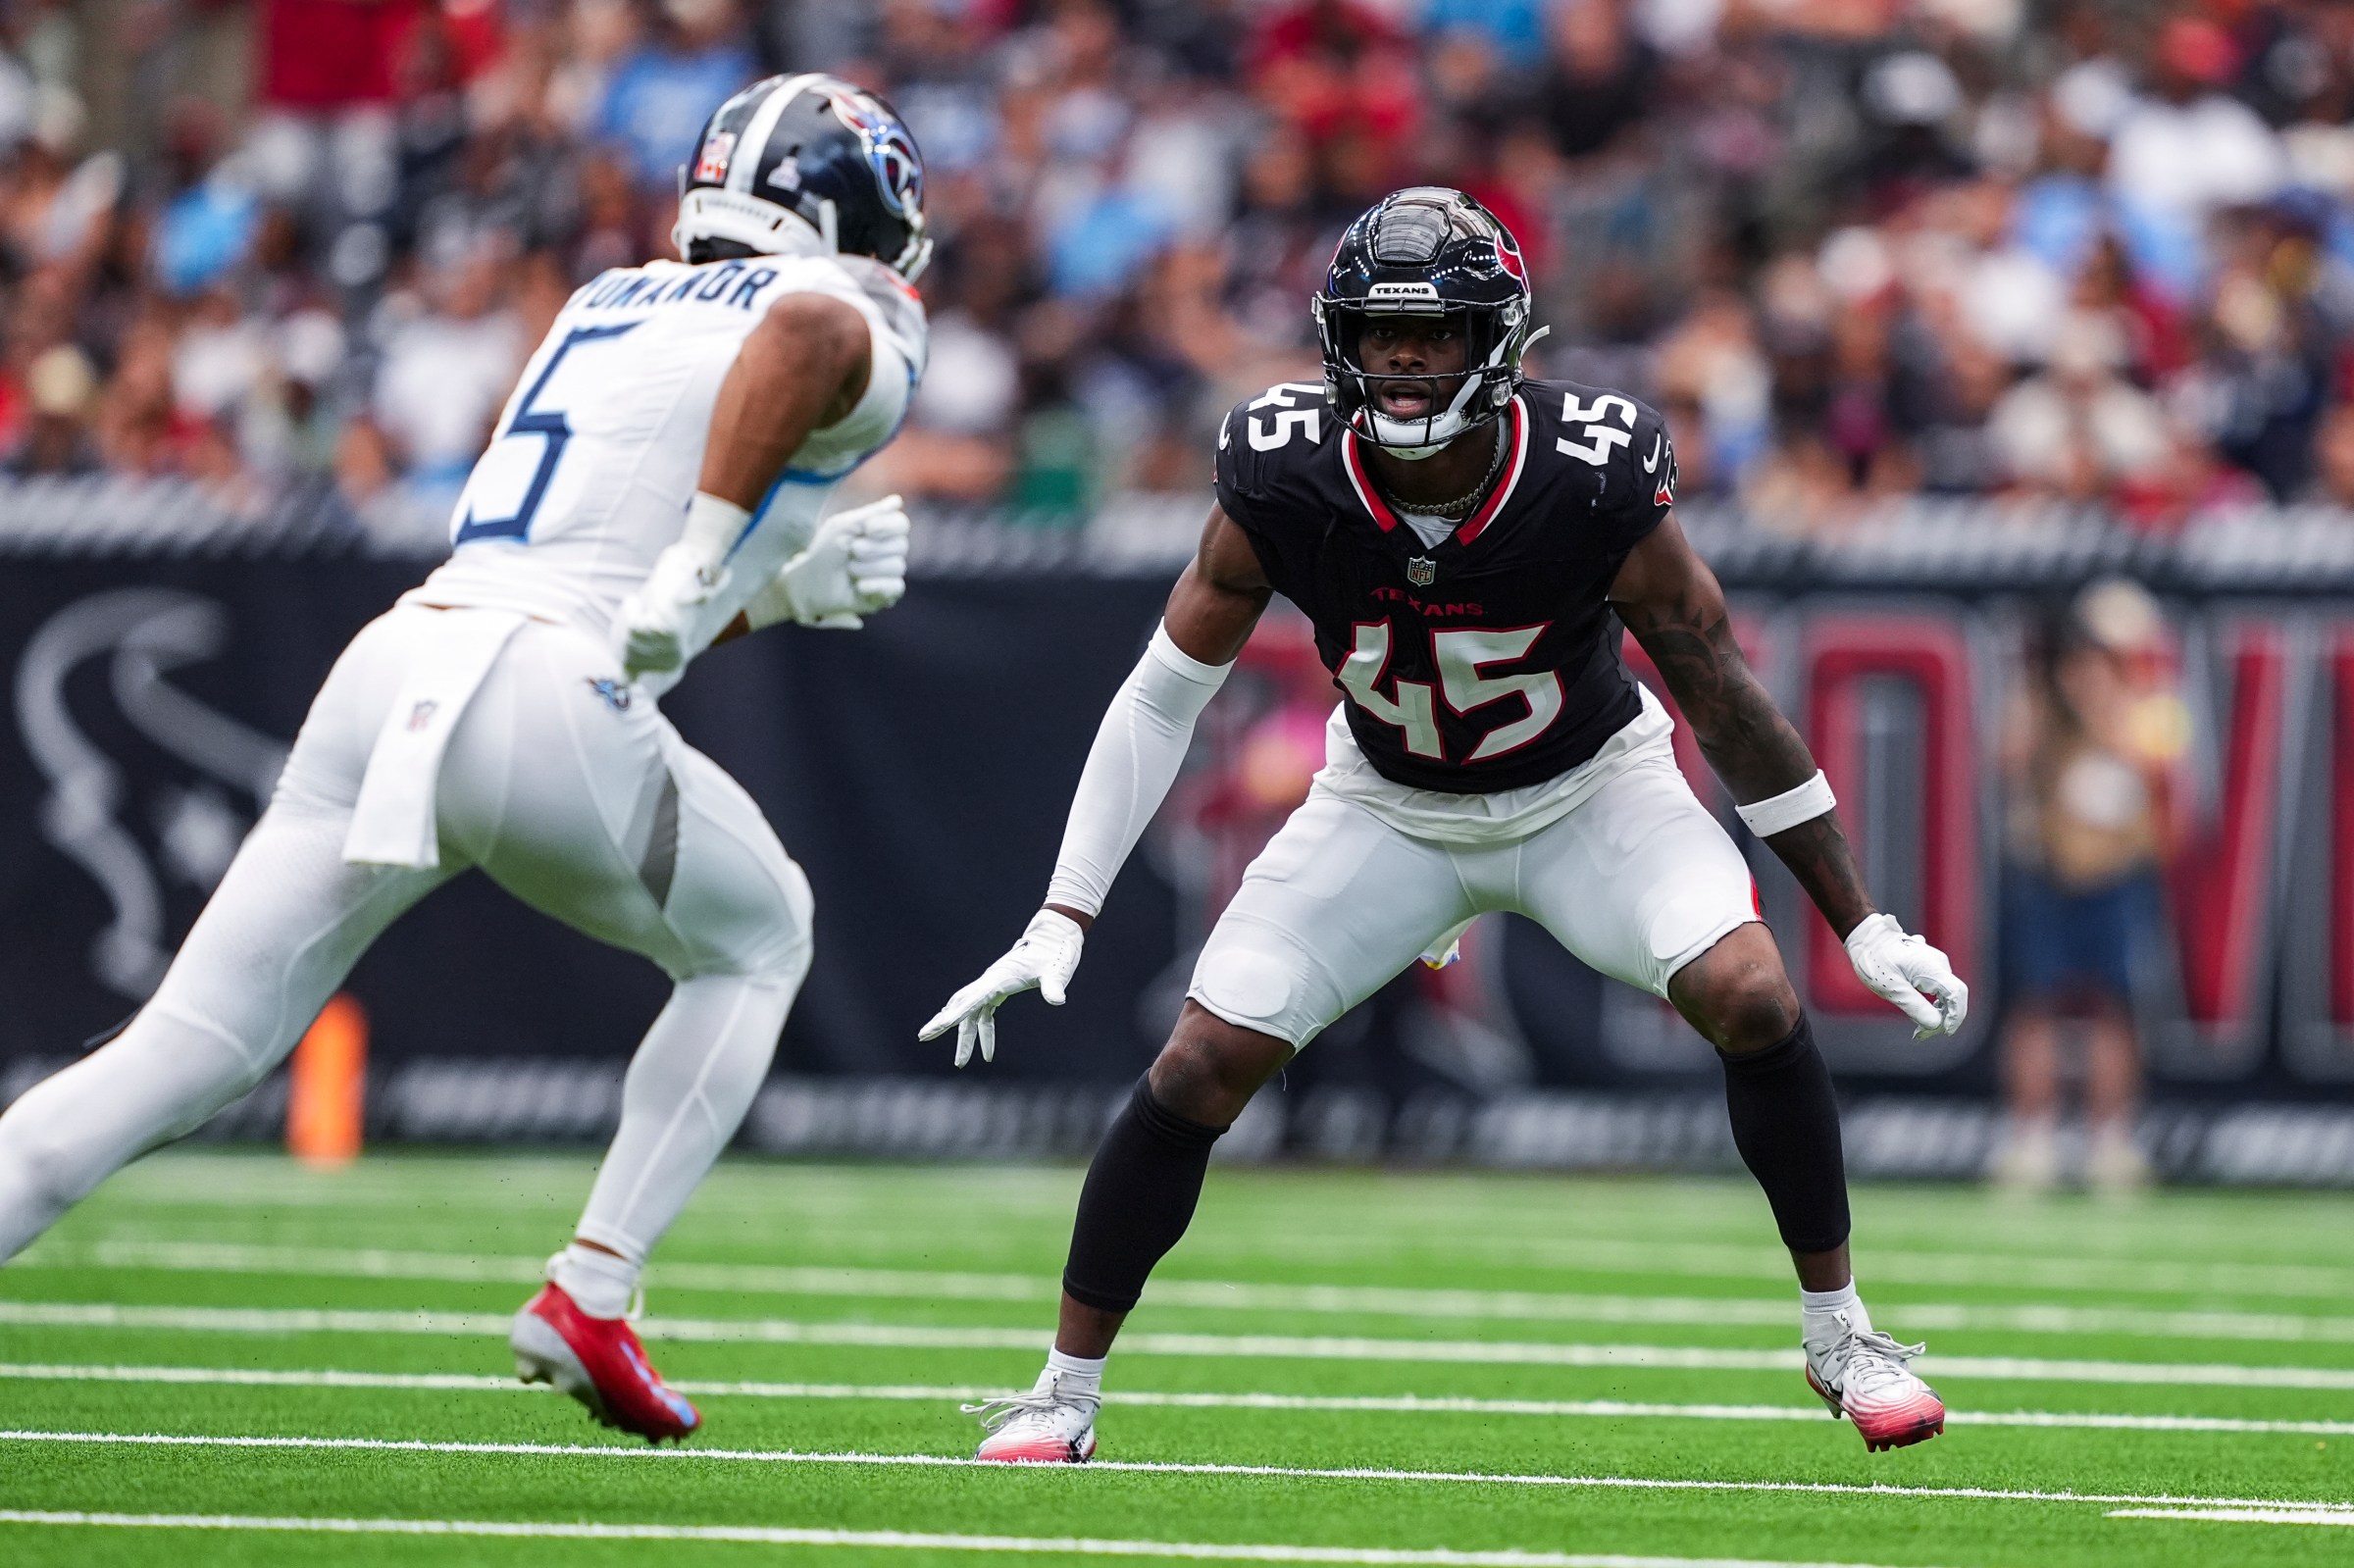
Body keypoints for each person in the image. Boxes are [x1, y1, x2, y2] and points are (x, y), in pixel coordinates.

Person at [925, 188, 1969, 1463]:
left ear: (1503, 339)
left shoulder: (1589, 469)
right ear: (1338, 341)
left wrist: (1854, 917)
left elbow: (1721, 688)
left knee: (1752, 992)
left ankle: (1840, 1331)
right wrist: (1063, 906)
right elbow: (1163, 691)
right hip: (1388, 803)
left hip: (1592, 789)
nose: (1403, 362)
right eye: (1378, 334)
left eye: (1435, 334)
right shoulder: (1285, 464)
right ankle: (1061, 1390)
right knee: (1198, 1063)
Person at [0, 74, 932, 1445]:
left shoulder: (599, 300)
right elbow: (795, 333)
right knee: (763, 934)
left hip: (405, 661)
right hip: (539, 691)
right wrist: (706, 554)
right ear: (847, 208)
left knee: (174, 1058)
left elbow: (595, 572)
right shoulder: (840, 308)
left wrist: (771, 589)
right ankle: (593, 1285)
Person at [1991, 580, 2179, 1194]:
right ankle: (2033, 1137)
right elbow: (2010, 760)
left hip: (2117, 875)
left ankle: (2110, 1140)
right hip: (2048, 872)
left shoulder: (2152, 707)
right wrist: (2054, 696)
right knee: (2037, 1007)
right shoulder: (2041, 705)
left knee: (2112, 1010)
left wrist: (2101, 705)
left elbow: (2157, 771)